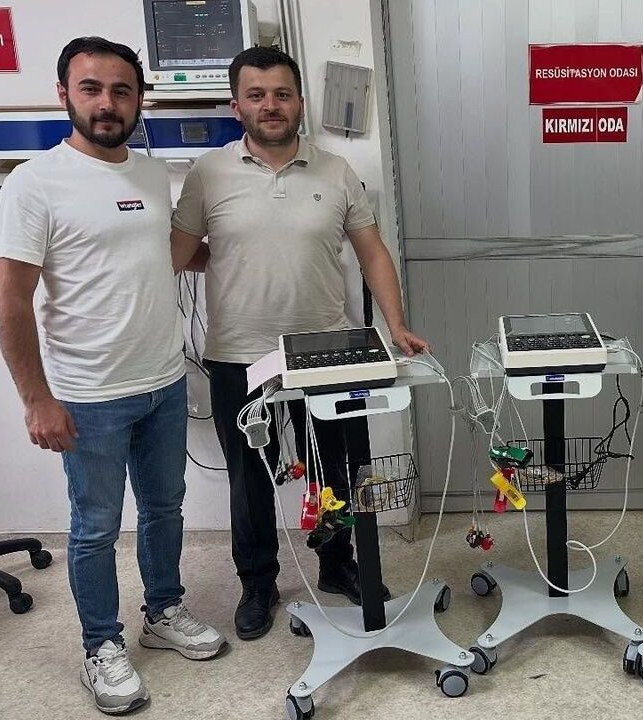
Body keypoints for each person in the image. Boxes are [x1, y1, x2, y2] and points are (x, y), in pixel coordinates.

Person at [0, 36, 226, 716]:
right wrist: (36, 400)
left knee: (164, 508)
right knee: (95, 527)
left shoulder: (150, 175)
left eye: (122, 90)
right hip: (88, 395)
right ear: (63, 94)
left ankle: (163, 611)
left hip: (163, 383)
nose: (107, 103)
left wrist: (233, 246)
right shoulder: (34, 183)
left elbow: (160, 254)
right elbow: (11, 302)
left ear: (139, 99)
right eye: (91, 88)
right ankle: (101, 644)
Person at [170, 47, 430, 641]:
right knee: (250, 478)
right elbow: (178, 254)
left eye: (282, 94)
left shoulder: (335, 171)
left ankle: (337, 564)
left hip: (329, 351)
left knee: (335, 467)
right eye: (256, 95)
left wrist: (396, 325)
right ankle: (258, 582)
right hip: (240, 353)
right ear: (236, 106)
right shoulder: (208, 173)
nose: (271, 105)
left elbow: (371, 252)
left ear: (300, 103)